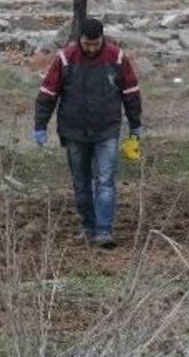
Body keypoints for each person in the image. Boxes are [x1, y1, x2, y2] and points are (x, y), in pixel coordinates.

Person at [33, 18, 143, 249]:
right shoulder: (65, 59)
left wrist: (135, 124)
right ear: (79, 39)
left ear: (102, 39)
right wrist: (40, 126)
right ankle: (88, 227)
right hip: (74, 131)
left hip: (107, 130)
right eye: (86, 44)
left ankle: (104, 231)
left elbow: (130, 92)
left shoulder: (117, 57)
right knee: (81, 184)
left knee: (105, 181)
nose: (91, 48)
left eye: (96, 43)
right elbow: (48, 92)